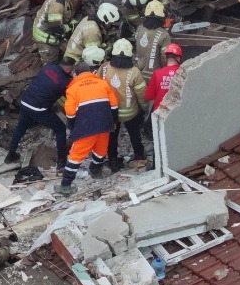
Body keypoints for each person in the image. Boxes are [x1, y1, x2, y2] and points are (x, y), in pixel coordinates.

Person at [60, 48, 119, 193]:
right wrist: (113, 122)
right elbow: (114, 104)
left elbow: (70, 112)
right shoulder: (103, 84)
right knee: (100, 151)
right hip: (105, 124)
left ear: (76, 73)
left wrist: (72, 127)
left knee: (76, 156)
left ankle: (65, 185)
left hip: (86, 127)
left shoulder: (72, 89)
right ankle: (95, 170)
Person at [5, 52, 76, 168]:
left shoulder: (47, 67)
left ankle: (10, 155)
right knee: (60, 129)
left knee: (20, 128)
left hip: (25, 102)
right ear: (69, 70)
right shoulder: (65, 82)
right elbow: (69, 96)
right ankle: (62, 161)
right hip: (39, 109)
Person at [102, 39, 148, 170]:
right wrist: (144, 109)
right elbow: (141, 94)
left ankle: (113, 161)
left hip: (110, 112)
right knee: (134, 134)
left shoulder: (104, 68)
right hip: (130, 112)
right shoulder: (135, 72)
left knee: (112, 137)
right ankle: (139, 156)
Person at [31, 0, 83, 64]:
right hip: (44, 35)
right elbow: (57, 30)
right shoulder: (57, 5)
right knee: (50, 61)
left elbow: (65, 17)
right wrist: (70, 28)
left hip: (50, 29)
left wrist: (75, 25)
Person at [133, 0, 171, 70]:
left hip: (139, 71)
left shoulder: (139, 28)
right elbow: (164, 58)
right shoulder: (164, 35)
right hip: (154, 74)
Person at [145, 41, 182, 109]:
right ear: (178, 58)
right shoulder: (183, 73)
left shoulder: (157, 73)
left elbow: (149, 96)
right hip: (177, 113)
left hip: (160, 114)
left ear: (166, 58)